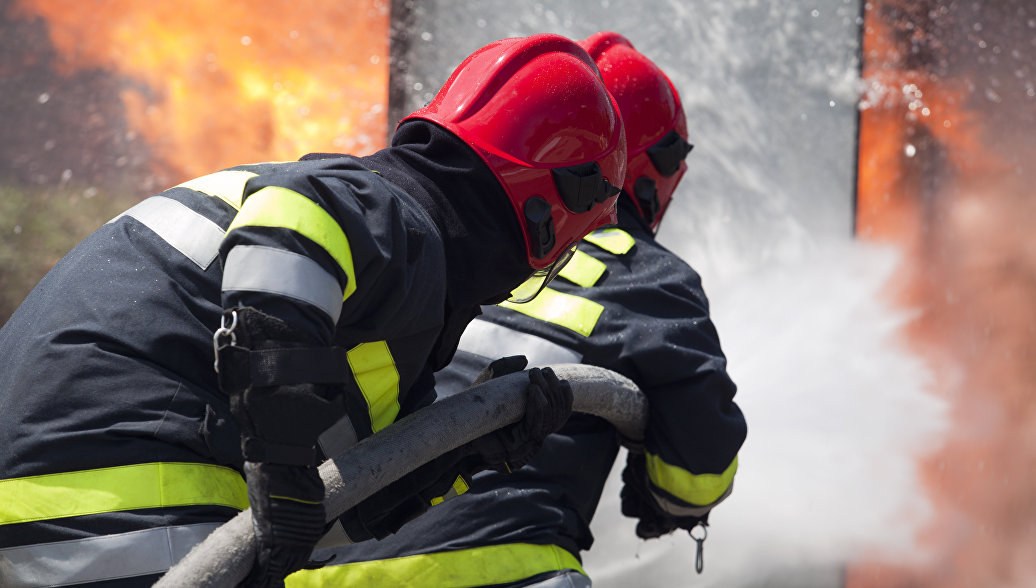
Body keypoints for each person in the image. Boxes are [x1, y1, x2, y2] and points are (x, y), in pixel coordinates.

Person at [0, 33, 628, 588]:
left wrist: (470, 452)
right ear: (548, 212)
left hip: (51, 504)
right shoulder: (393, 217)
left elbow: (331, 510)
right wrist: (281, 461)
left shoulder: (367, 299)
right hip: (118, 499)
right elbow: (294, 221)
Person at [288, 31, 748, 588]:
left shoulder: (426, 245)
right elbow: (695, 476)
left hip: (315, 569)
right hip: (501, 573)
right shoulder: (647, 278)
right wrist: (662, 491)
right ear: (653, 168)